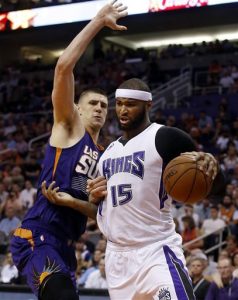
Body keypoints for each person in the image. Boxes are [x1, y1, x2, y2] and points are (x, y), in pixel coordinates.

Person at [44, 78, 225, 299]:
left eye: (130, 104)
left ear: (147, 105)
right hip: (117, 260)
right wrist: (73, 201)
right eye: (119, 103)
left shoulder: (166, 137)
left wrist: (212, 166)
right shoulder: (108, 152)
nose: (122, 110)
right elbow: (105, 214)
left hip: (155, 250)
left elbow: (215, 186)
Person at [10, 2, 127, 300]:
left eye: (104, 106)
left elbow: (97, 211)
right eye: (93, 104)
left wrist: (70, 202)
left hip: (66, 244)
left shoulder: (104, 156)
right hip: (38, 235)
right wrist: (99, 21)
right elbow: (63, 67)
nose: (100, 109)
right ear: (77, 108)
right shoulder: (69, 126)